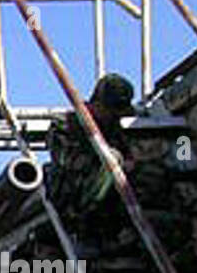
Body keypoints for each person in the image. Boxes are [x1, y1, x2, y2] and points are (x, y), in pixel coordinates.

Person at [46, 73, 137, 238]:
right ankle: (85, 219)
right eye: (111, 110)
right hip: (74, 195)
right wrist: (111, 158)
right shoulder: (65, 124)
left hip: (111, 193)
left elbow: (129, 154)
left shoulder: (114, 126)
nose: (114, 116)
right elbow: (68, 160)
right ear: (97, 104)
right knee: (113, 158)